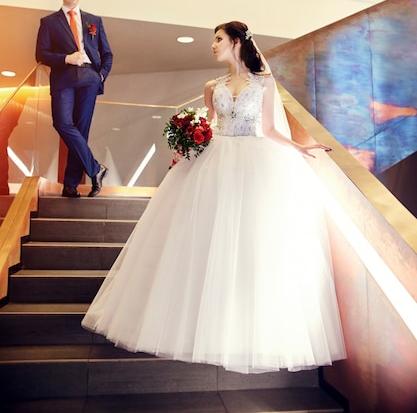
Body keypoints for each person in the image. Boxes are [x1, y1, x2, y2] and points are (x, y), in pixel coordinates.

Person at [82, 21, 346, 373]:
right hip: (216, 160)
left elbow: (268, 130)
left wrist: (301, 147)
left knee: (251, 242)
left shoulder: (264, 82)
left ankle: (243, 326)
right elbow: (208, 125)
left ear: (236, 42)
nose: (213, 45)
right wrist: (187, 145)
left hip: (254, 162)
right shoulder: (212, 86)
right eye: (213, 40)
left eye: (218, 39)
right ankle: (196, 319)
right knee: (203, 239)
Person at [36, 0, 113, 198]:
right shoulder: (49, 22)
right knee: (62, 123)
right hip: (63, 77)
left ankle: (70, 184)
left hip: (89, 77)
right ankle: (96, 169)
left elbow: (107, 53)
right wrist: (66, 58)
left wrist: (101, 76)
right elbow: (41, 54)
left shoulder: (94, 21)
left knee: (81, 131)